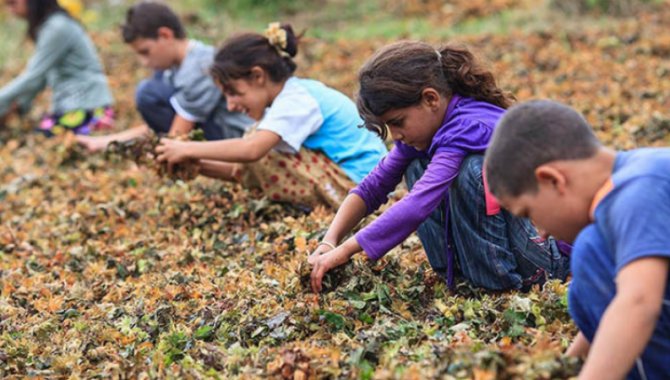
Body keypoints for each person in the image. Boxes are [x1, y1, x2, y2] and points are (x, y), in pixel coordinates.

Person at [308, 41, 570, 293]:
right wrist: (329, 240)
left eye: (398, 122)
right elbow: (372, 187)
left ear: (430, 99)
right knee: (415, 164)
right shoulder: (427, 130)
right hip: (515, 247)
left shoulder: (468, 127)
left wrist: (344, 252)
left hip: (547, 257)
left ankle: (498, 286)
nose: (395, 135)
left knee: (472, 172)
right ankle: (457, 273)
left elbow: (417, 204)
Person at [484, 100, 670, 379]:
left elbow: (638, 303)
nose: (541, 233)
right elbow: (610, 310)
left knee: (589, 251)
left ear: (553, 180)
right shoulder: (636, 176)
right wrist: (563, 368)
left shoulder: (638, 193)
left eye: (530, 213)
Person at [155, 23, 388, 208]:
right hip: (356, 179)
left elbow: (251, 151)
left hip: (362, 185)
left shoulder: (296, 100)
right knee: (259, 143)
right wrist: (198, 164)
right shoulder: (291, 96)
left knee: (261, 148)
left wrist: (186, 148)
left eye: (233, 93)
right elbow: (249, 166)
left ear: (258, 76)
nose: (231, 105)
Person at [76, 2, 250, 151]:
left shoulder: (200, 67)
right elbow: (163, 124)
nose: (144, 62)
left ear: (165, 35)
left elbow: (178, 134)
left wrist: (158, 159)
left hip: (233, 138)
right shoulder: (173, 69)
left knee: (147, 93)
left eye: (146, 52)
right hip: (211, 132)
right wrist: (106, 142)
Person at [0, 0, 114, 135]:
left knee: (35, 142)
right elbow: (39, 80)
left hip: (87, 107)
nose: (10, 9)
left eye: (12, 3)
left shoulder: (57, 27)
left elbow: (33, 76)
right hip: (72, 106)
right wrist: (19, 106)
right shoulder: (50, 27)